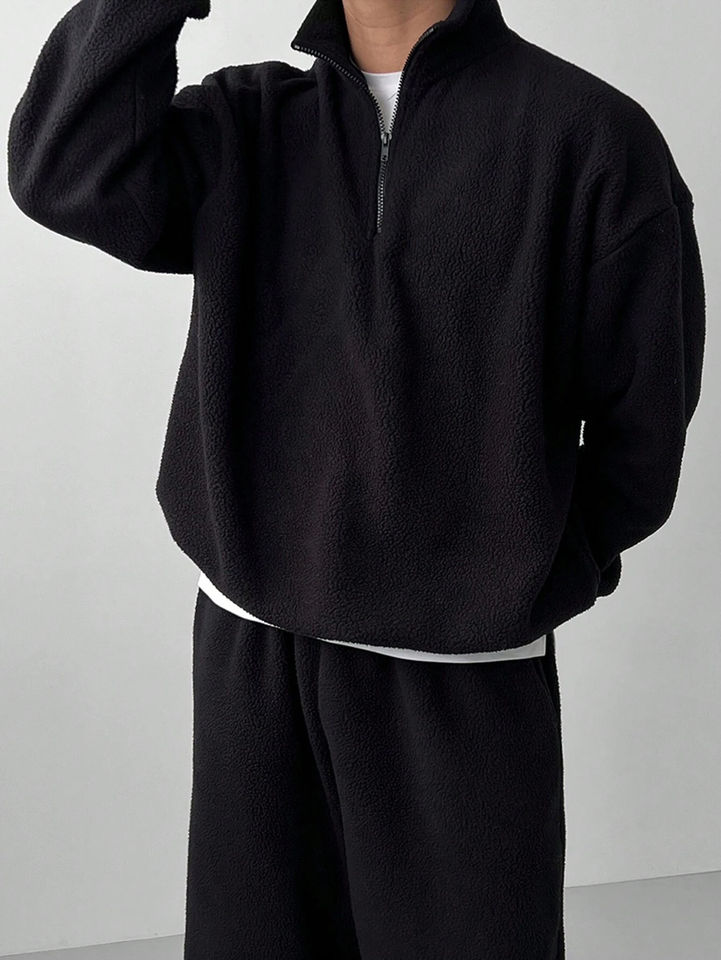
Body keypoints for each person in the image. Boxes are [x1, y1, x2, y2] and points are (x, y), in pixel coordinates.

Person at [7, 0, 705, 956]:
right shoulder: (248, 120)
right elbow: (63, 172)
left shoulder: (588, 137)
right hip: (252, 652)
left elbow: (642, 429)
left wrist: (527, 574)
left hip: (461, 678)